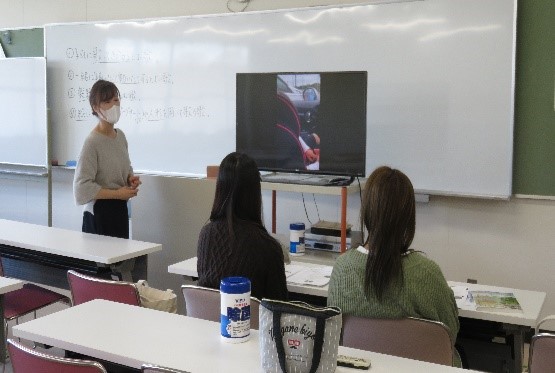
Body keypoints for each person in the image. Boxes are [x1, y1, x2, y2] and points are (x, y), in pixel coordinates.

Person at [327, 166, 461, 366]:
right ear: (409, 216)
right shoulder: (427, 274)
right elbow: (450, 333)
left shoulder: (343, 269)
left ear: (367, 212)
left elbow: (334, 335)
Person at [196, 152, 288, 300]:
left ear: (220, 187)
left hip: (207, 322)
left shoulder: (206, 234)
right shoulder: (268, 247)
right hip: (249, 323)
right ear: (255, 191)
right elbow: (279, 307)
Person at [73, 79, 140, 239]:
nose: (113, 106)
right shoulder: (92, 142)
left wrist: (130, 179)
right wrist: (118, 193)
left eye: (116, 100)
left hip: (120, 210)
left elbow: (125, 168)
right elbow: (81, 189)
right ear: (95, 108)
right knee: (104, 263)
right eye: (107, 102)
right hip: (99, 213)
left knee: (121, 261)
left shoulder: (120, 136)